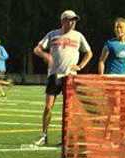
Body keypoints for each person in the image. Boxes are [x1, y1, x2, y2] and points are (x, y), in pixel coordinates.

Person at [32, 9, 92, 147]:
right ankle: (44, 135)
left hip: (70, 77)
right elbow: (37, 49)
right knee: (48, 107)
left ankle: (66, 137)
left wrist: (80, 66)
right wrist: (45, 55)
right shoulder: (52, 34)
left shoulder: (78, 36)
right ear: (63, 21)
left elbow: (89, 53)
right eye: (70, 20)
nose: (72, 23)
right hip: (54, 75)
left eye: (74, 20)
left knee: (68, 109)